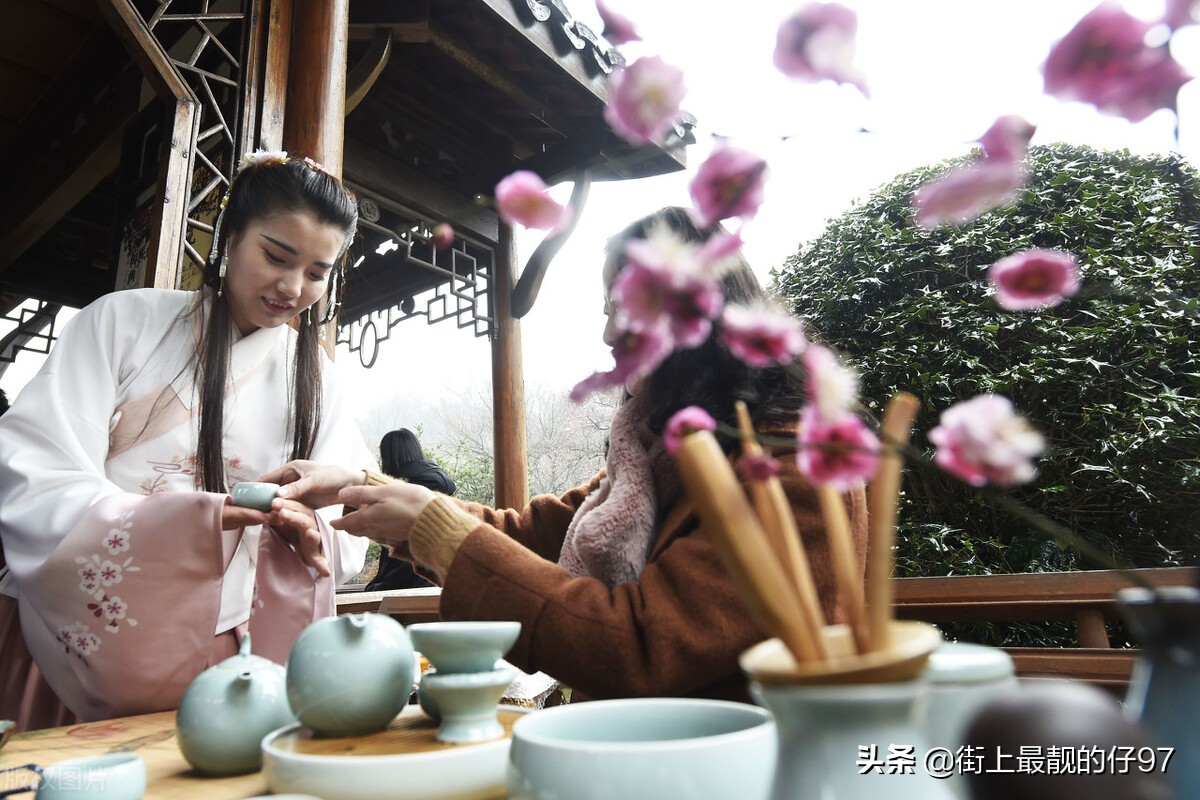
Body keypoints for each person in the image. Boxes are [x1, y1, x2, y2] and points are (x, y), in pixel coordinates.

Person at [262, 207, 868, 703]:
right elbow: (527, 535)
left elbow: (640, 645)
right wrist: (360, 487)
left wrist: (435, 526)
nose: (608, 335)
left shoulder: (795, 463)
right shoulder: (652, 460)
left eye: (624, 309)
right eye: (606, 311)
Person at [0, 151, 375, 729]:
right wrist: (192, 520)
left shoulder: (319, 381)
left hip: (233, 643)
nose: (292, 286)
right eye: (276, 255)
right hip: (82, 631)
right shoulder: (123, 322)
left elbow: (345, 527)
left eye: (318, 273)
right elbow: (34, 471)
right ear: (229, 237)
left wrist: (307, 526)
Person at [365, 428, 456, 591]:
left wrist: (374, 588)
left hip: (411, 589)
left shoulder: (406, 495)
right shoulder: (434, 486)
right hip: (434, 586)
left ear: (389, 458)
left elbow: (404, 565)